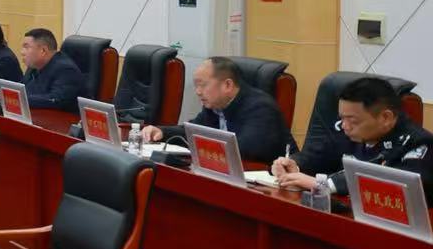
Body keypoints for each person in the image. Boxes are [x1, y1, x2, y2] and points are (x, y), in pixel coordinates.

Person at [271, 75, 431, 198]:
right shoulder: (345, 130)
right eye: (342, 118)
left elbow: (394, 185)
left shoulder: (419, 143)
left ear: (385, 118)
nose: (345, 125)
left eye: (353, 120)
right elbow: (317, 156)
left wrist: (324, 185)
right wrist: (294, 165)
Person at [142, 56, 295, 163]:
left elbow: (242, 151)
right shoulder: (215, 105)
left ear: (227, 85)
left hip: (273, 185)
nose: (198, 92)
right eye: (196, 86)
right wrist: (162, 132)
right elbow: (194, 130)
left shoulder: (261, 108)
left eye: (203, 85)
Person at [11, 28, 85, 113]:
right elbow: (23, 88)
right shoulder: (34, 65)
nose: (22, 52)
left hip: (62, 118)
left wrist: (20, 98)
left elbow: (55, 100)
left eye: (26, 47)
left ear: (43, 50)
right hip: (38, 114)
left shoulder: (66, 70)